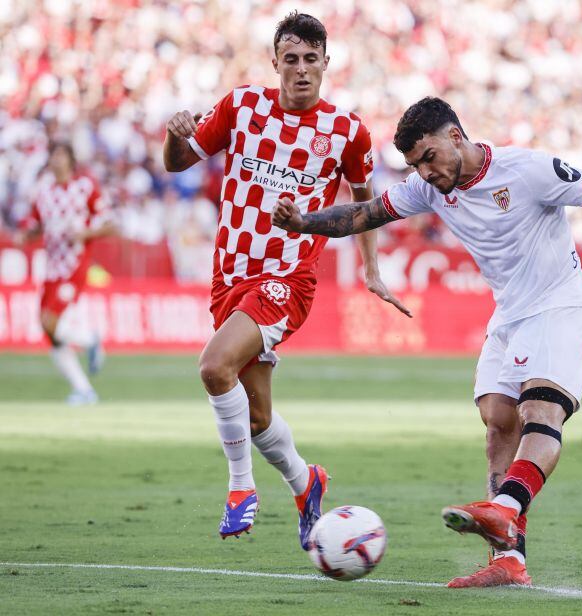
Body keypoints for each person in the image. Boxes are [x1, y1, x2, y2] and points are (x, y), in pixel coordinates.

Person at [272, 96, 582, 586]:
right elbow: (366, 214)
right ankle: (511, 561)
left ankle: (506, 507)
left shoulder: (528, 169)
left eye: (429, 157)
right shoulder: (429, 189)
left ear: (455, 137)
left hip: (561, 304)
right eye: (415, 165)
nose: (425, 172)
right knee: (498, 422)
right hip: (509, 314)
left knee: (541, 410)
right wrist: (303, 222)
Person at [162, 12, 407, 544]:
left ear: (326, 63)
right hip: (230, 277)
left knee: (213, 366)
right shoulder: (242, 105)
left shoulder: (348, 132)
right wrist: (173, 134)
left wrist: (371, 269)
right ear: (275, 63)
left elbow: (366, 206)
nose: (300, 69)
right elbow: (179, 163)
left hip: (286, 281)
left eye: (310, 59)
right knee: (255, 418)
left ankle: (240, 488)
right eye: (290, 59)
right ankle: (306, 480)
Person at [15, 141, 114, 405]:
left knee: (50, 322)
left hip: (74, 264)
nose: (56, 159)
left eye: (61, 154)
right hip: (51, 267)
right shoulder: (44, 191)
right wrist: (25, 234)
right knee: (48, 331)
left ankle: (90, 340)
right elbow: (36, 224)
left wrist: (85, 233)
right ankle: (83, 390)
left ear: (71, 160)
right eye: (54, 155)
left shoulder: (85, 187)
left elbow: (109, 223)